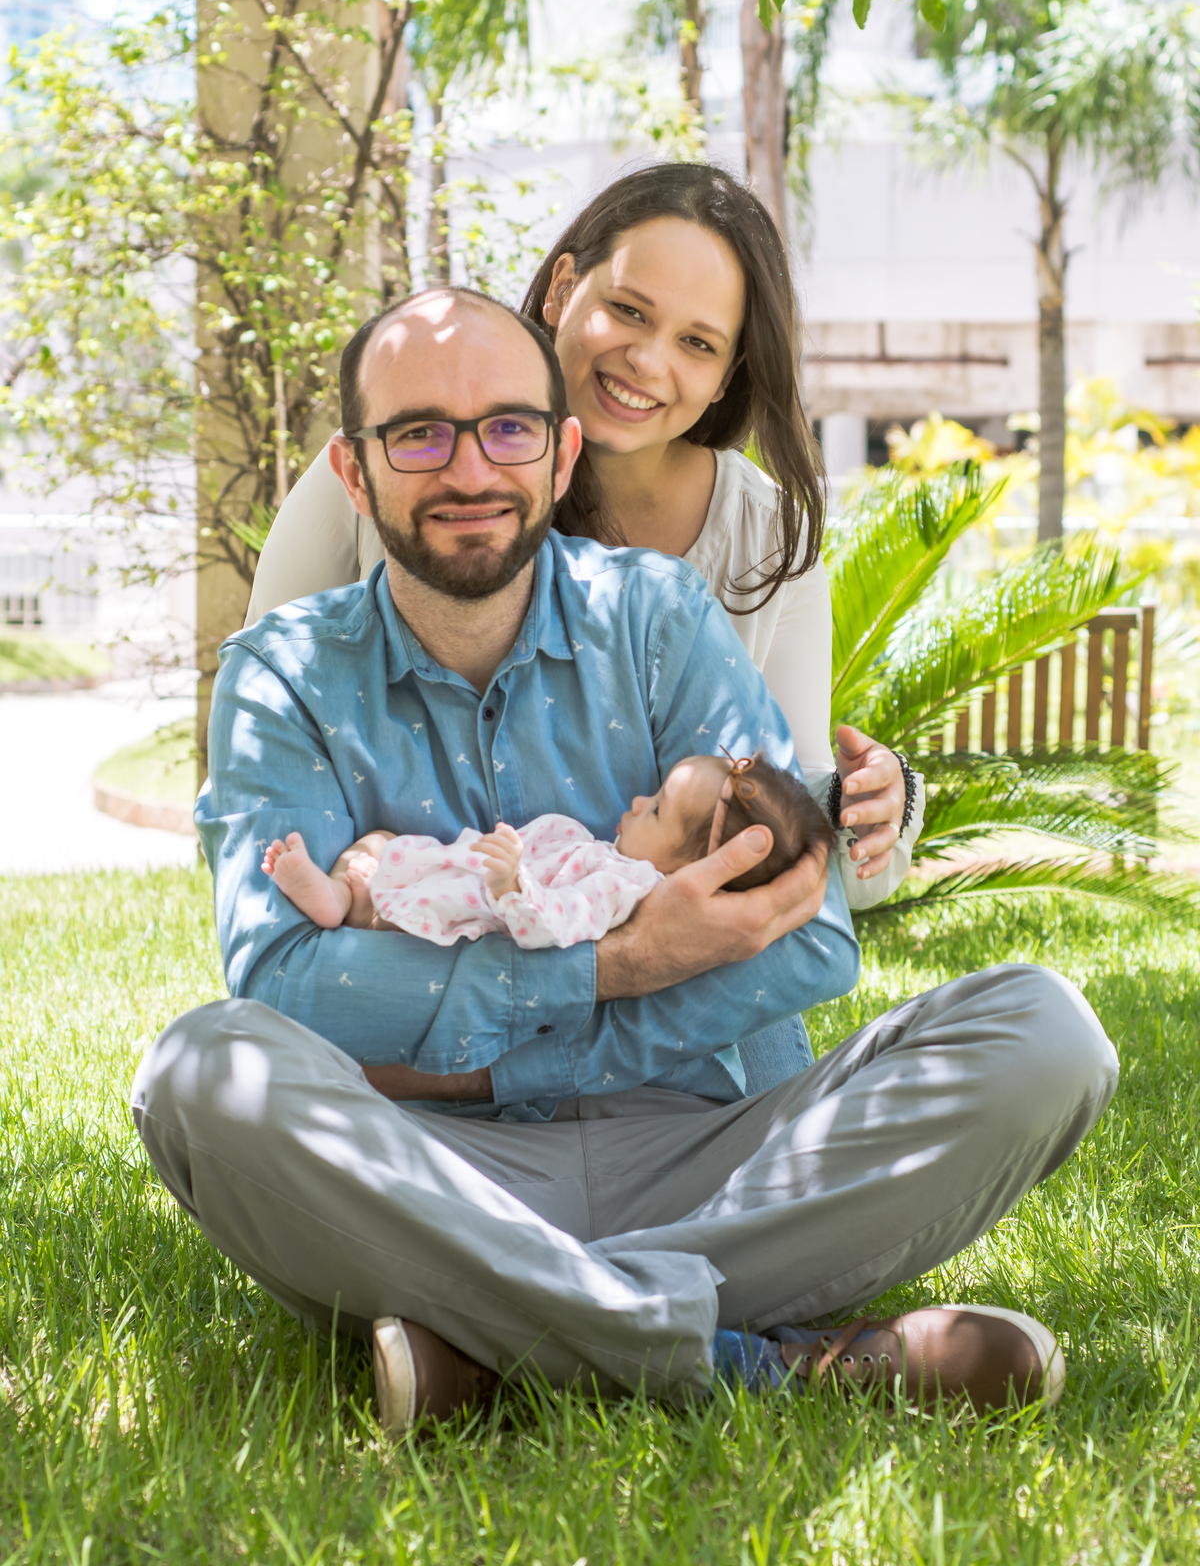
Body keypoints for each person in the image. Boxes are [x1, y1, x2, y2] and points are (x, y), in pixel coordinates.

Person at [132, 287, 1119, 1434]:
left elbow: (809, 941)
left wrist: (486, 1054)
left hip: (718, 1152)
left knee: (1045, 1034)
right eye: (419, 433)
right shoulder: (281, 676)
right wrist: (619, 965)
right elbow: (289, 988)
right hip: (429, 1164)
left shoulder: (656, 615)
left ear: (561, 458)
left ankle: (504, 1340)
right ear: (356, 473)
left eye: (507, 427)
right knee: (204, 1072)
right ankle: (767, 1360)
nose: (468, 468)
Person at [245, 165, 923, 1095]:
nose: (648, 362)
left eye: (696, 341)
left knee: (1024, 1030)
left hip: (678, 1038)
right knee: (215, 1071)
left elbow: (784, 855)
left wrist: (876, 816)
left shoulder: (757, 542)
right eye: (629, 311)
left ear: (729, 374)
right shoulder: (381, 484)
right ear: (563, 289)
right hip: (420, 973)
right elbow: (275, 733)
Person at [260, 748, 829, 946]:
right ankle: (338, 895)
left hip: (478, 904)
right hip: (461, 872)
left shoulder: (628, 886)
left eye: (655, 809)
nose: (635, 802)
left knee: (382, 871)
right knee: (380, 847)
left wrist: (514, 887)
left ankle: (342, 902)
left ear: (692, 868)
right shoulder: (617, 862)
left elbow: (558, 925)